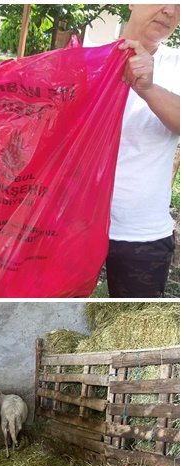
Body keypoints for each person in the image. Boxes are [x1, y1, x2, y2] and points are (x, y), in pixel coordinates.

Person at [108, 4, 180, 297]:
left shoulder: (178, 64)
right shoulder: (86, 61)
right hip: (76, 224)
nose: (170, 11)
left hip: (143, 234)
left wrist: (148, 88)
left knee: (133, 316)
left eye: (180, 4)